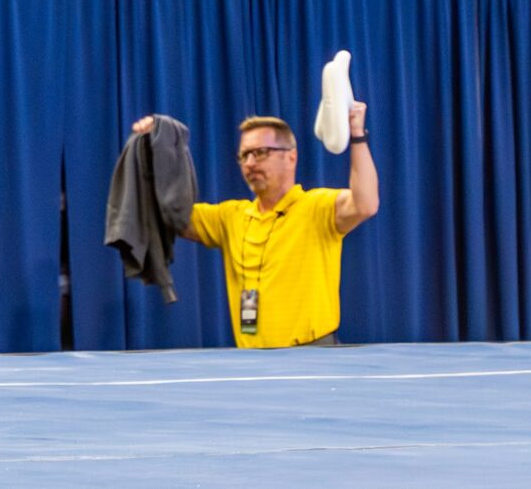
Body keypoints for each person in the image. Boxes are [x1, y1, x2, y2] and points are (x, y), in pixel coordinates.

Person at [131, 105, 377, 349]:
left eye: (260, 153)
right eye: (244, 155)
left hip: (313, 357)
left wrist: (357, 134)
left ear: (291, 156)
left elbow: (365, 204)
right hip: (253, 364)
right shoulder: (231, 217)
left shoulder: (317, 208)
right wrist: (154, 147)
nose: (249, 163)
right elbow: (167, 214)